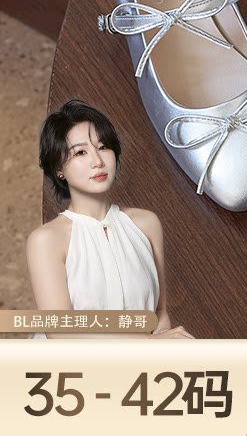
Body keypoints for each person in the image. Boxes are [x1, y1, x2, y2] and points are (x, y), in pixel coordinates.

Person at [26, 100, 192, 339]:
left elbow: (159, 313)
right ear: (58, 168)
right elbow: (62, 336)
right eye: (80, 152)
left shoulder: (146, 224)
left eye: (103, 147)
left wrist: (168, 340)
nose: (98, 161)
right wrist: (154, 343)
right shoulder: (46, 239)